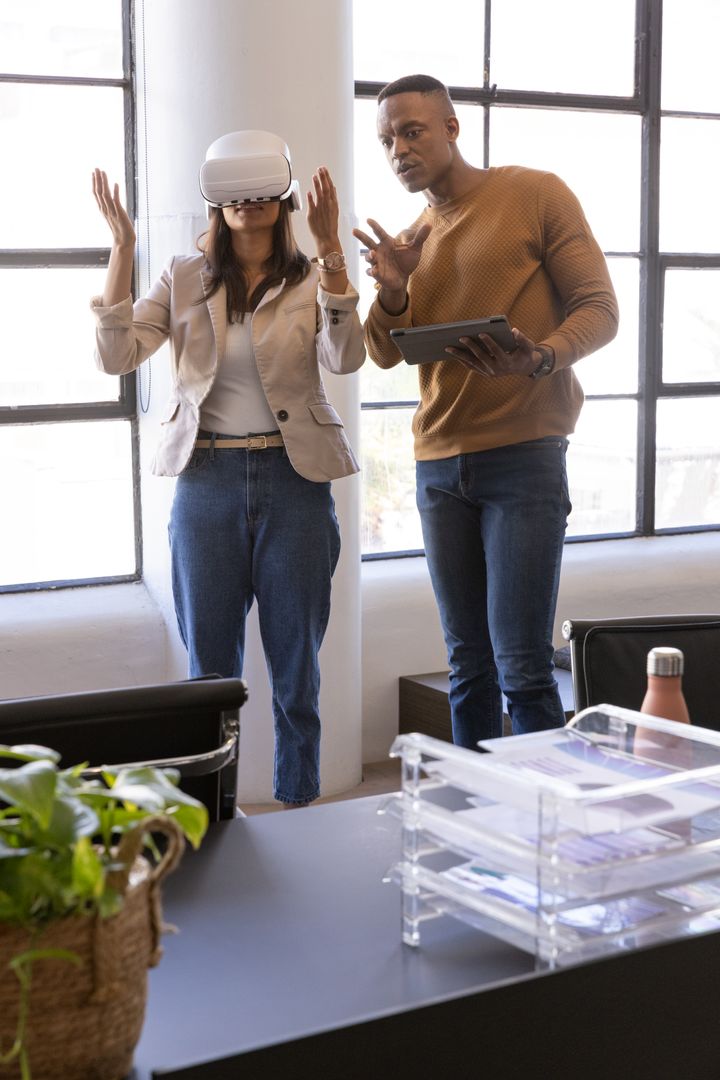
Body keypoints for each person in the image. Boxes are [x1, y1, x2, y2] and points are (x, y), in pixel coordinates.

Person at [91, 130, 365, 806]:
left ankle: (300, 812)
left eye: (262, 192)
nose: (248, 203)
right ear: (217, 202)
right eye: (234, 194)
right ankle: (213, 822)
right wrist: (123, 249)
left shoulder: (311, 279)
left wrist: (333, 254)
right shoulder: (184, 275)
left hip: (295, 482)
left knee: (296, 673)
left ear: (283, 197)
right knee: (209, 677)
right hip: (205, 482)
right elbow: (116, 356)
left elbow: (346, 355)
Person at [354, 75, 619, 749]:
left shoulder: (533, 193)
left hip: (524, 457)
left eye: (412, 131)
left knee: (523, 668)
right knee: (466, 665)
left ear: (451, 127)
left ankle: (547, 830)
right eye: (387, 140)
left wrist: (540, 357)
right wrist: (393, 289)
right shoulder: (412, 237)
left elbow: (600, 310)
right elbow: (382, 353)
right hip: (439, 467)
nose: (399, 150)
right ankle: (466, 817)